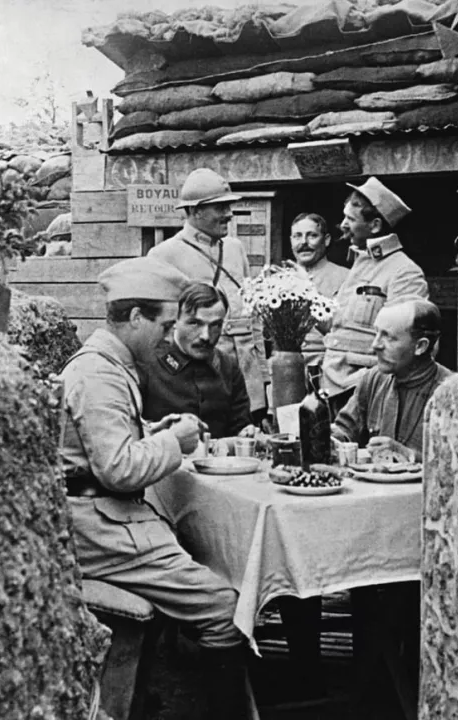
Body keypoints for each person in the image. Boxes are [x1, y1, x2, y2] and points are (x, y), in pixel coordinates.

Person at [58, 257, 250, 719]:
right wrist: (173, 441)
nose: (169, 338)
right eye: (164, 326)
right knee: (226, 608)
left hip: (101, 517)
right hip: (98, 526)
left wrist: (151, 429)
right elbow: (118, 470)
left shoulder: (106, 362)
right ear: (136, 317)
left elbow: (104, 442)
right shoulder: (100, 373)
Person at [148, 168, 269, 417]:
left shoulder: (235, 249)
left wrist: (264, 376)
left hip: (247, 377)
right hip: (202, 379)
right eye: (220, 208)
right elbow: (158, 327)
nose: (229, 214)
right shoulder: (163, 255)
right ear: (194, 210)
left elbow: (252, 314)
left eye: (228, 207)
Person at [321, 177, 429, 414]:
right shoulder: (360, 263)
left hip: (366, 388)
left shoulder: (404, 272)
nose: (342, 225)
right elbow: (340, 328)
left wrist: (371, 385)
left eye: (350, 219)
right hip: (332, 385)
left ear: (376, 226)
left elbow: (403, 343)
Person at [332, 297, 451, 459]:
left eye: (388, 337)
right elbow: (345, 431)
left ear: (420, 346)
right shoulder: (374, 379)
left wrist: (410, 455)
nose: (375, 345)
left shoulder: (452, 393)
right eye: (377, 333)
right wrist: (329, 437)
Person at [139, 281, 257, 440]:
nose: (206, 336)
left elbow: (239, 428)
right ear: (175, 321)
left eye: (215, 325)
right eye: (195, 323)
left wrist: (246, 432)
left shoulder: (228, 367)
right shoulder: (147, 365)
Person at [285, 213, 348, 368]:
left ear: (326, 240)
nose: (303, 243)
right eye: (297, 236)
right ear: (291, 241)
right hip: (286, 366)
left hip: (329, 365)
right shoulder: (280, 280)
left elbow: (343, 329)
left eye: (312, 236)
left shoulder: (346, 277)